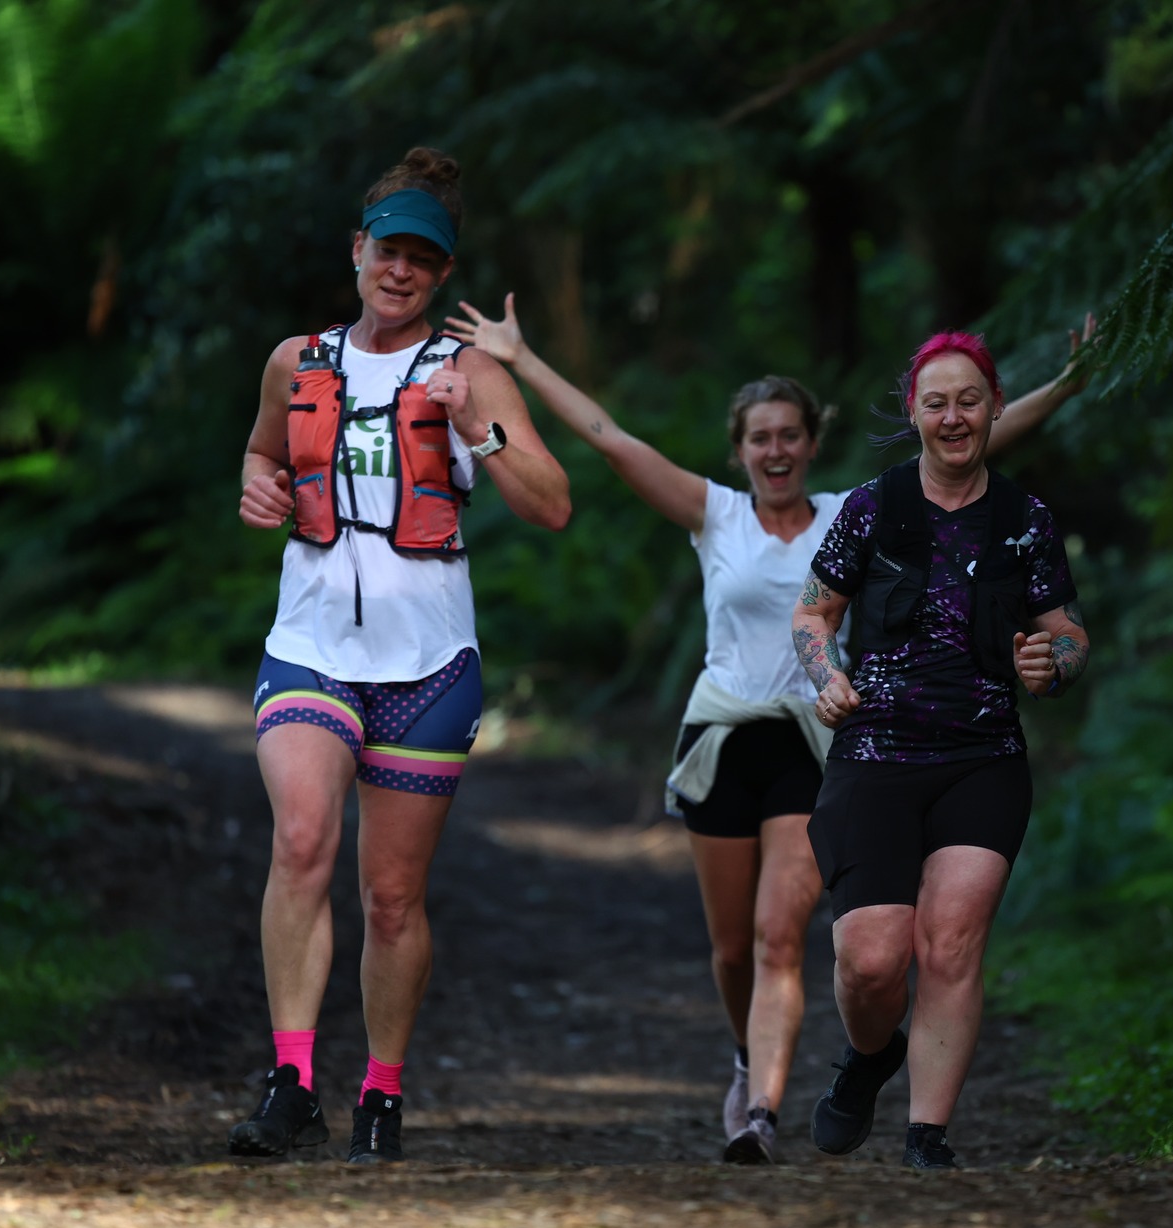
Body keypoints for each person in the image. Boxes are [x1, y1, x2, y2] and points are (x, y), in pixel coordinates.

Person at [443, 296, 1091, 1163]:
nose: (776, 450)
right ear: (741, 449)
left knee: (789, 932)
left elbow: (977, 432)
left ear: (811, 442)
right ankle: (755, 1053)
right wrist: (520, 360)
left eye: (790, 434)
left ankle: (771, 1111)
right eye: (760, 437)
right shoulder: (716, 513)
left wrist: (1072, 382)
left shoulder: (851, 509)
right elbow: (608, 435)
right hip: (724, 736)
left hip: (823, 740)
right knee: (735, 945)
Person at [228, 148, 572, 1165]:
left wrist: (486, 432)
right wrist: (256, 488)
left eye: (423, 258)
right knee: (300, 841)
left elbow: (552, 506)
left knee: (391, 896)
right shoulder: (296, 361)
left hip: (428, 664)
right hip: (310, 648)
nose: (401, 271)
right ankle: (291, 1081)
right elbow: (260, 454)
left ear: (443, 273)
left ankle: (380, 1088)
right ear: (357, 251)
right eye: (388, 251)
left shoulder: (472, 375)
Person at [791, 331, 1090, 1169]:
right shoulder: (871, 506)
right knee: (872, 959)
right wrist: (826, 675)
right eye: (936, 401)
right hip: (876, 753)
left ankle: (928, 1136)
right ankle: (870, 1055)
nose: (954, 417)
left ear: (995, 406)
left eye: (969, 400)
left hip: (982, 755)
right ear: (912, 413)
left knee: (951, 943)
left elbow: (1067, 635)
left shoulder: (1025, 522)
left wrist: (1051, 662)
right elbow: (815, 615)